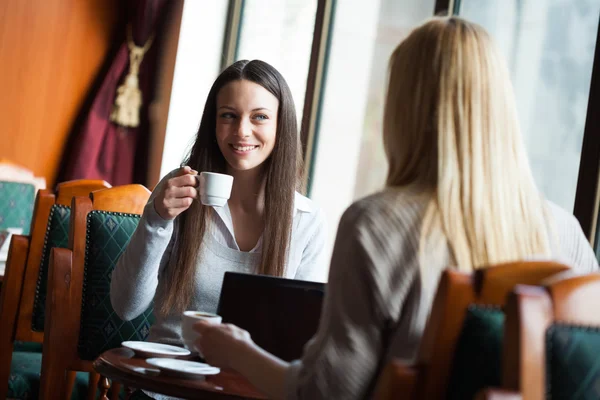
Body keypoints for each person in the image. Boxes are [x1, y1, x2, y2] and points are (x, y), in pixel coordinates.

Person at [193, 17, 599, 400]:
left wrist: (237, 351)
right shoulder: (567, 233)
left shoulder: (375, 225)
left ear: (404, 109)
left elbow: (326, 393)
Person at [110, 59, 328, 349]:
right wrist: (157, 219)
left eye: (259, 117)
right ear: (213, 123)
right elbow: (126, 307)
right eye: (228, 116)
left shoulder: (307, 220)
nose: (242, 131)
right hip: (167, 380)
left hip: (245, 386)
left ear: (281, 126)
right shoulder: (177, 196)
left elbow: (299, 335)